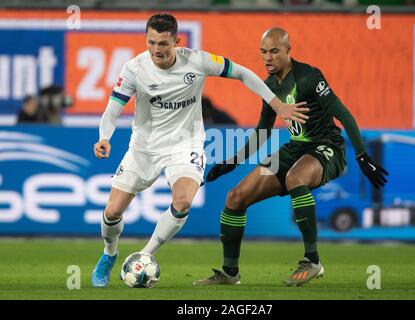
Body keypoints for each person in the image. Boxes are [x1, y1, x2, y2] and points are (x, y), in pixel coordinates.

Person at [91, 14, 308, 287]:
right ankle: (109, 254)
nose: (157, 49)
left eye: (163, 43)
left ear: (176, 41)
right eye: (152, 42)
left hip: (186, 145)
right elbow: (113, 109)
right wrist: (104, 137)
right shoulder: (135, 69)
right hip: (144, 147)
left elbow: (242, 73)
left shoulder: (197, 60)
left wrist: (277, 104)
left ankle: (143, 256)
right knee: (112, 212)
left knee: (182, 202)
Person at [193, 28, 389, 287]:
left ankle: (312, 260)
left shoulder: (308, 76)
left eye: (274, 51)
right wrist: (233, 161)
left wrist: (362, 156)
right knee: (235, 197)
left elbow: (343, 114)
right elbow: (262, 132)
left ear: (288, 51)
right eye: (263, 52)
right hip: (294, 149)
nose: (268, 58)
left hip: (326, 147)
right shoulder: (270, 86)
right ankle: (230, 273)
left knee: (296, 176)